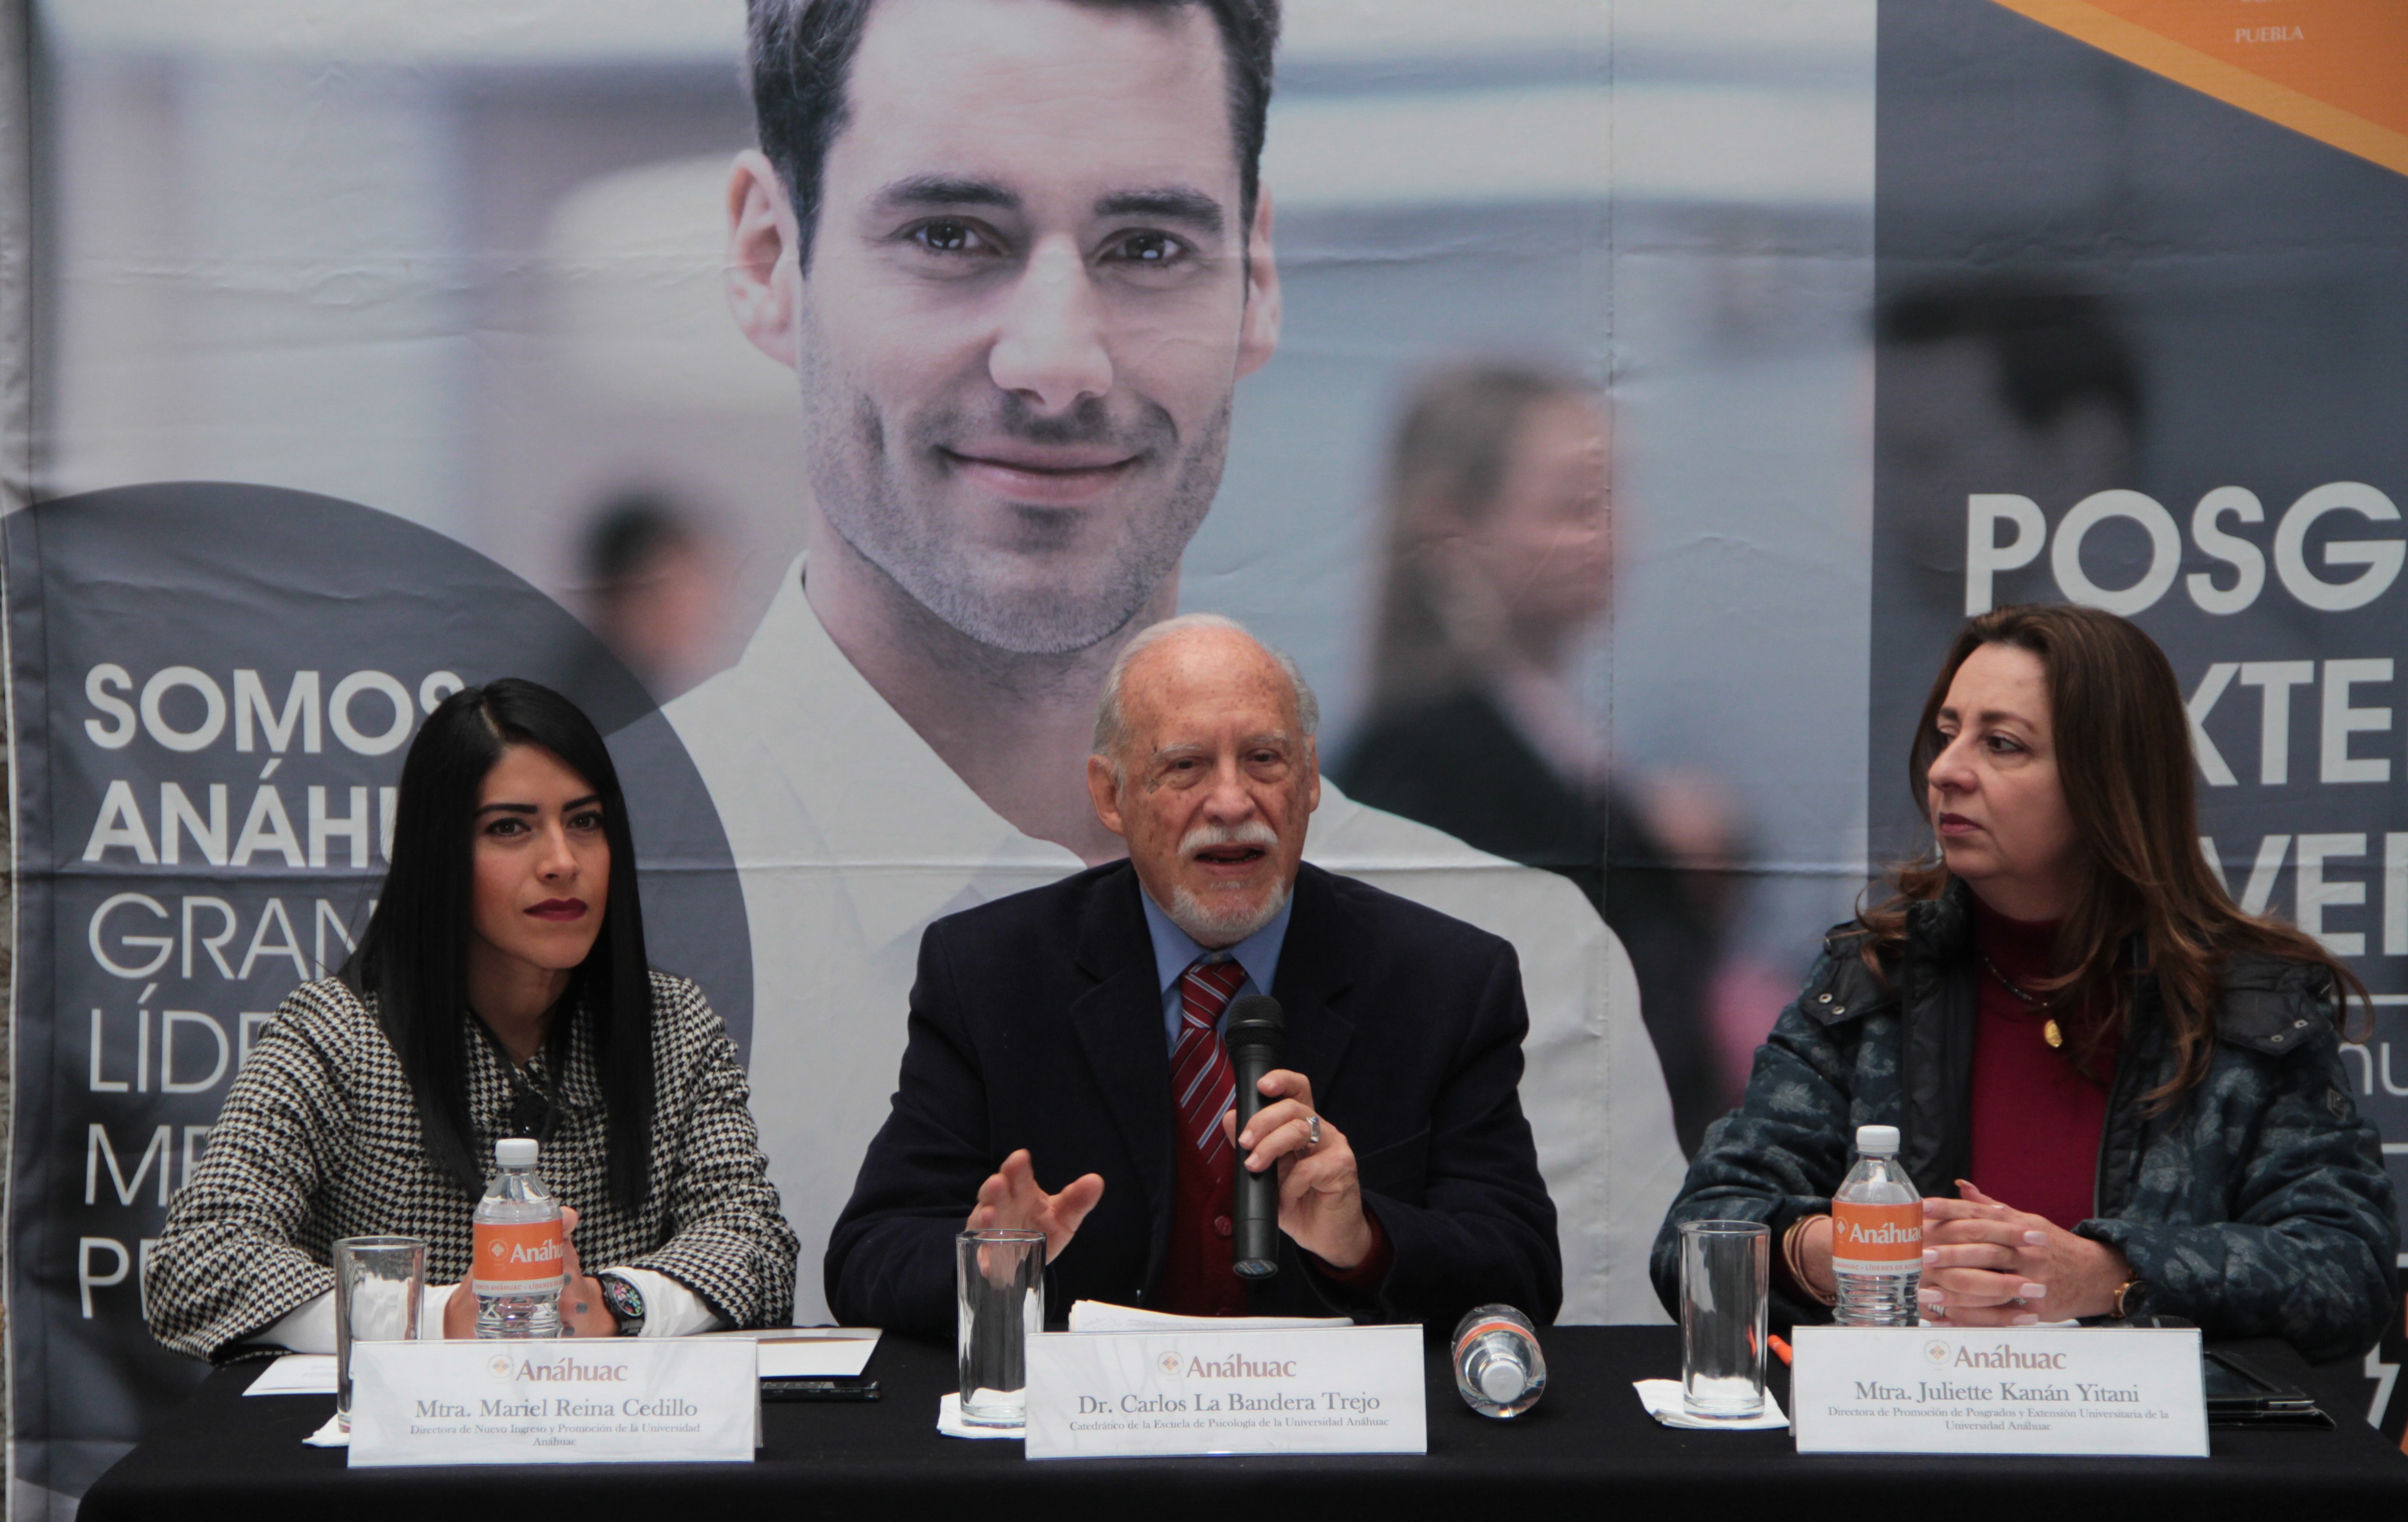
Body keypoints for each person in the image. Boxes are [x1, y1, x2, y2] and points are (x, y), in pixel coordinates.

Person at [667, 0, 1683, 1324]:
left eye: (1147, 246)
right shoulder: (598, 911)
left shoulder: (1523, 965)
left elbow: (1566, 1413)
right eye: (949, 236)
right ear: (768, 257)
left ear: (1254, 276)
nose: (1054, 363)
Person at [1653, 604, 2398, 1362]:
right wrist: (1838, 1246)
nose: (1946, 769)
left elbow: (2348, 1270)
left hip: (2168, 1469)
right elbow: (1699, 1232)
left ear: (2108, 781)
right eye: (1947, 734)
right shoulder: (1875, 979)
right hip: (1903, 1454)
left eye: (2001, 744)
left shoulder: (2245, 999)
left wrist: (2106, 1274)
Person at [827, 615, 1560, 1331]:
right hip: (1088, 1440)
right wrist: (993, 1266)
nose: (1234, 802)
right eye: (1185, 766)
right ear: (1111, 795)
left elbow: (1522, 1273)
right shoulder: (991, 973)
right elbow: (867, 1258)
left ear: (1309, 780)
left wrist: (1363, 1240)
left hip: (1337, 1444)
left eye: (1266, 760)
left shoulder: (1447, 983)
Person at [146, 679, 799, 1360]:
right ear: (439, 855)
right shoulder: (335, 1033)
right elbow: (198, 1258)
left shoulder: (674, 1026)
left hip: (620, 1449)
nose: (562, 862)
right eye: (510, 828)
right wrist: (435, 1316)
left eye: (586, 821)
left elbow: (755, 1242)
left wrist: (614, 1303)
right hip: (397, 1457)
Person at [1337, 361, 1740, 1155]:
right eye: (1574, 507)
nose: (1617, 536)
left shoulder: (1553, 737)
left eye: (1614, 500)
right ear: (1452, 522)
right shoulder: (1422, 760)